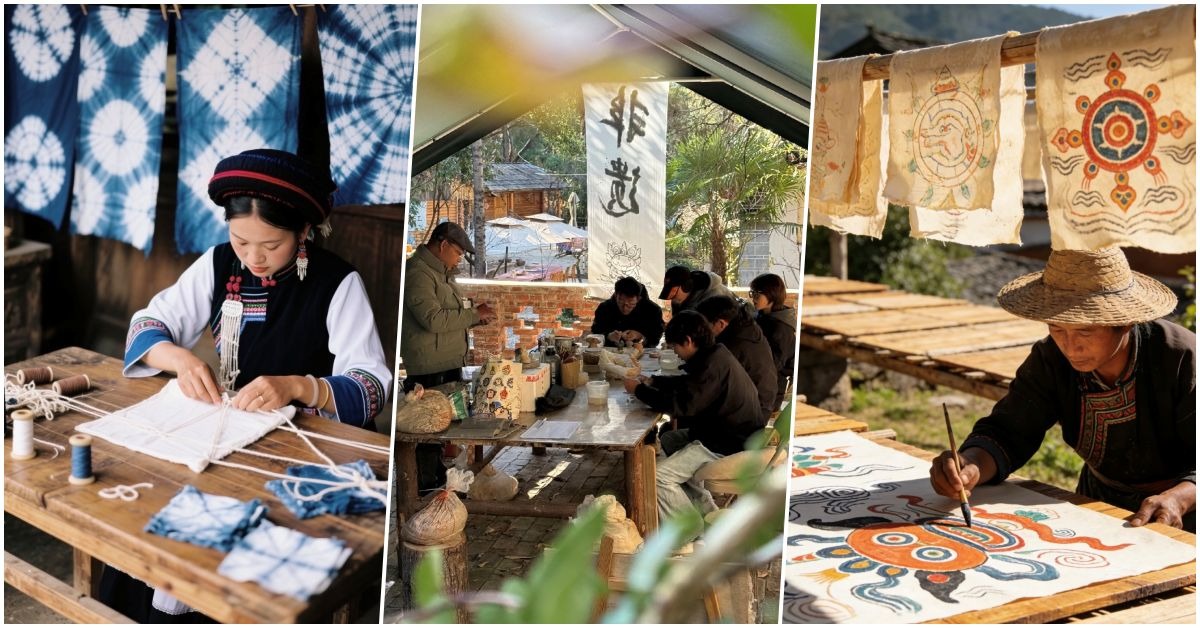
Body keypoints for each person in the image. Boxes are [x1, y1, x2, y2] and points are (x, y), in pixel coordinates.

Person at [113, 148, 391, 621]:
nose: (254, 258)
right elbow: (148, 326)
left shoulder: (338, 283)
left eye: (271, 245)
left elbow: (370, 384)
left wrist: (301, 387)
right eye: (242, 242)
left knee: (252, 573)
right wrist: (179, 358)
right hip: (220, 431)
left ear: (303, 230)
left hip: (295, 452)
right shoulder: (219, 265)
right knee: (153, 534)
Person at [929, 247, 1195, 532]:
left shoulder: (1181, 358)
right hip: (1097, 501)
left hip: (1183, 514)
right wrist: (970, 465)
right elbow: (1009, 431)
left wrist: (1179, 498)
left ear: (1125, 321)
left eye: (1085, 331)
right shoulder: (1052, 359)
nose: (1070, 346)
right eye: (1057, 329)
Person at [623, 311, 765, 527]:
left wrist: (639, 391)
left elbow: (683, 405)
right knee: (669, 441)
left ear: (688, 341)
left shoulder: (712, 366)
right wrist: (654, 381)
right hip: (724, 432)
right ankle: (704, 507)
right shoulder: (715, 355)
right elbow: (689, 386)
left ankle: (690, 531)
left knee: (658, 477)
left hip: (727, 443)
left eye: (675, 347)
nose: (675, 353)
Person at [401, 221, 497, 489]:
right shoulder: (418, 273)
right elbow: (432, 320)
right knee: (427, 424)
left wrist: (476, 317)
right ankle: (423, 484)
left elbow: (452, 314)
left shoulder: (442, 273)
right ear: (443, 245)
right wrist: (474, 314)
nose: (458, 260)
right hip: (428, 365)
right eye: (457, 253)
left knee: (443, 422)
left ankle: (435, 475)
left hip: (447, 359)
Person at [695, 295, 777, 420]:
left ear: (721, 323)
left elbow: (707, 385)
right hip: (759, 403)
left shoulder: (733, 344)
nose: (702, 332)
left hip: (750, 414)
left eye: (705, 327)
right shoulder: (744, 326)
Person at [749, 273, 796, 410]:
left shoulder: (781, 328)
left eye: (757, 294)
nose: (753, 298)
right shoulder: (763, 315)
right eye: (752, 293)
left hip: (771, 391)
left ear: (772, 295)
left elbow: (774, 366)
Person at [591, 276, 664, 348]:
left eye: (630, 303)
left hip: (642, 354)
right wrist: (608, 336)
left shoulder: (653, 310)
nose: (625, 308)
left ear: (638, 299)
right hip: (611, 353)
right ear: (616, 295)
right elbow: (596, 332)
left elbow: (656, 336)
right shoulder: (604, 308)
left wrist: (640, 336)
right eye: (621, 302)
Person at [659, 265, 740, 316]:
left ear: (686, 287)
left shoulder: (713, 297)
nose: (671, 299)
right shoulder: (683, 299)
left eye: (673, 295)